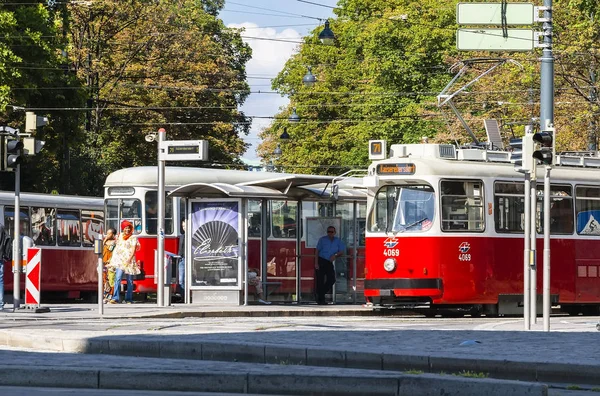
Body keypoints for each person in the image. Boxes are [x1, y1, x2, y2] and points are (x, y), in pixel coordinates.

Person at [109, 220, 140, 304]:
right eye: (126, 228)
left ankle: (128, 299)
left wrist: (129, 259)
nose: (127, 230)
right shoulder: (119, 236)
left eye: (129, 228)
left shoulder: (133, 237)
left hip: (129, 261)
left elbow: (134, 249)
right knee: (117, 278)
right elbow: (116, 248)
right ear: (123, 228)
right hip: (120, 261)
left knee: (129, 281)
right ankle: (115, 298)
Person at [315, 226, 345, 305]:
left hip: (329, 262)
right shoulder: (322, 240)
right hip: (321, 260)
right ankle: (321, 299)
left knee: (332, 279)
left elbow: (342, 251)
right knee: (320, 281)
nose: (330, 233)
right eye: (328, 232)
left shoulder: (337, 241)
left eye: (331, 232)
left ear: (334, 233)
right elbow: (317, 251)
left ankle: (320, 295)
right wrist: (316, 263)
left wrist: (335, 255)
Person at [102, 228, 117, 303]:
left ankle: (111, 296)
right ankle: (104, 296)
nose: (107, 235)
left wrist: (110, 260)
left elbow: (113, 252)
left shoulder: (115, 243)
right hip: (103, 263)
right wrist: (105, 240)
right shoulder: (105, 242)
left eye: (109, 234)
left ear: (113, 234)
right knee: (104, 280)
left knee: (111, 279)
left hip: (111, 264)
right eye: (107, 233)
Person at [177, 219, 186, 297]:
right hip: (182, 258)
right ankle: (183, 296)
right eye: (183, 226)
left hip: (187, 259)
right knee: (181, 279)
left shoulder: (191, 236)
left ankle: (185, 296)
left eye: (185, 226)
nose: (184, 228)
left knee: (185, 279)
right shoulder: (182, 236)